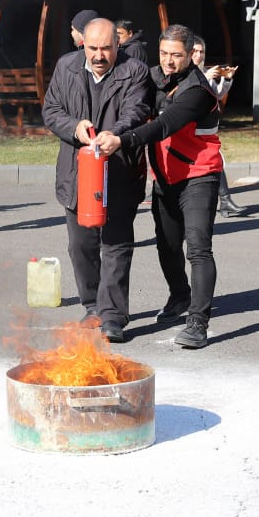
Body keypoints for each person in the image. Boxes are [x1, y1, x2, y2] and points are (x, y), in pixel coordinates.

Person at [96, 24, 224, 349]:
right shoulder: (155, 77)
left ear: (191, 54)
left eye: (176, 55)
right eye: (164, 53)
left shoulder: (197, 89)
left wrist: (121, 140)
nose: (168, 61)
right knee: (167, 245)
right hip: (166, 177)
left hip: (199, 176)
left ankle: (198, 323)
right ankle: (180, 296)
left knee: (198, 248)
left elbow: (164, 125)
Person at [40, 17, 149, 343]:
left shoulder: (135, 70)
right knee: (80, 247)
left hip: (119, 170)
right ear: (82, 45)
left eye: (106, 48)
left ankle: (113, 316)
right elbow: (51, 109)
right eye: (92, 48)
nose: (99, 55)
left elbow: (137, 110)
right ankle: (92, 307)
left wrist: (112, 133)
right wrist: (74, 128)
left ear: (118, 44)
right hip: (77, 173)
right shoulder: (66, 67)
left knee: (116, 246)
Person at [190, 35, 246, 218]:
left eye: (202, 52)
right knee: (212, 163)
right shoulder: (188, 73)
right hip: (190, 128)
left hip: (205, 129)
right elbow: (193, 94)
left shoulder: (204, 72)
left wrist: (227, 79)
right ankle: (223, 202)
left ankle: (224, 202)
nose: (198, 55)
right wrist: (206, 77)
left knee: (216, 162)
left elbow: (216, 94)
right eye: (195, 51)